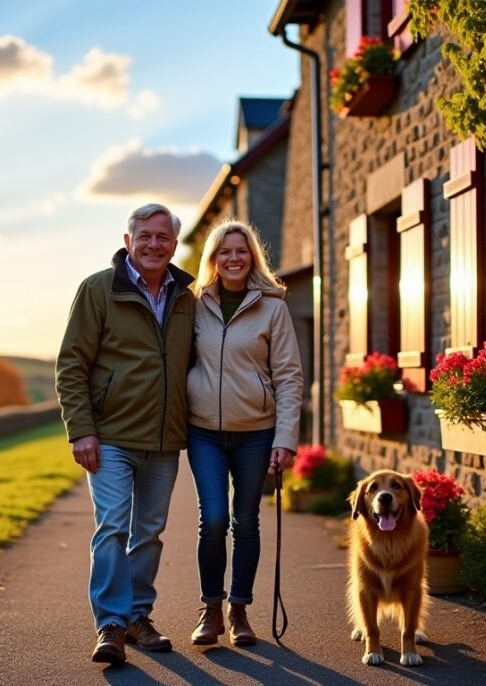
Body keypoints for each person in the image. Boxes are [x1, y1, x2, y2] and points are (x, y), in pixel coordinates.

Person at [55, 202, 196, 664]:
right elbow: (72, 364)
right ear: (127, 241)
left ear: (174, 245)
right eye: (145, 236)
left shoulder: (187, 297)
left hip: (163, 439)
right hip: (110, 437)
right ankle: (111, 625)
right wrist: (81, 431)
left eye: (163, 237)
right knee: (113, 527)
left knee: (149, 532)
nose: (154, 244)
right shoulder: (98, 289)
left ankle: (138, 617)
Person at [185, 219, 303, 646]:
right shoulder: (193, 303)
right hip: (204, 433)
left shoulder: (273, 307)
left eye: (241, 251)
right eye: (224, 252)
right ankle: (210, 609)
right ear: (213, 259)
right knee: (213, 520)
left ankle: (238, 611)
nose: (233, 258)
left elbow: (289, 376)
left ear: (252, 256)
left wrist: (286, 437)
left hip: (257, 433)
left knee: (246, 521)